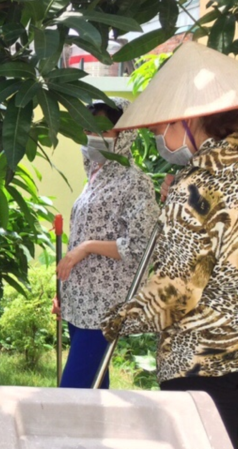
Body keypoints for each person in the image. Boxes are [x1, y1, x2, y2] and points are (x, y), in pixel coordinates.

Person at [101, 42, 238, 449]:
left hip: (209, 356)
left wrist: (117, 320)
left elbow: (174, 296)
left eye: (162, 127)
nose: (159, 138)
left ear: (189, 118)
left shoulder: (198, 185)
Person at [51, 98, 160, 388]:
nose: (93, 137)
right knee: (94, 391)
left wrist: (87, 247)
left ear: (124, 134)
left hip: (103, 309)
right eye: (88, 129)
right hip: (81, 303)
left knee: (72, 393)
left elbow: (140, 247)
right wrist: (65, 293)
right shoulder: (96, 176)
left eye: (102, 130)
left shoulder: (135, 182)